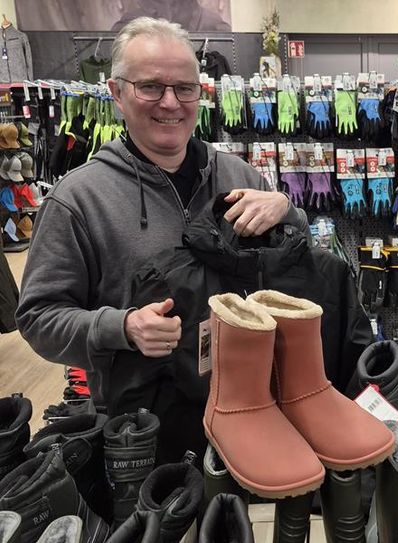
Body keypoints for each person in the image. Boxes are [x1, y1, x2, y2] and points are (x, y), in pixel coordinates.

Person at [15, 17, 307, 460]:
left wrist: (289, 212)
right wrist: (122, 327)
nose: (170, 103)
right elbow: (38, 318)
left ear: (200, 94)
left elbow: (295, 261)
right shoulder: (77, 199)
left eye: (184, 88)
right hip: (140, 426)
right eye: (150, 86)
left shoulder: (239, 176)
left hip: (248, 405)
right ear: (116, 93)